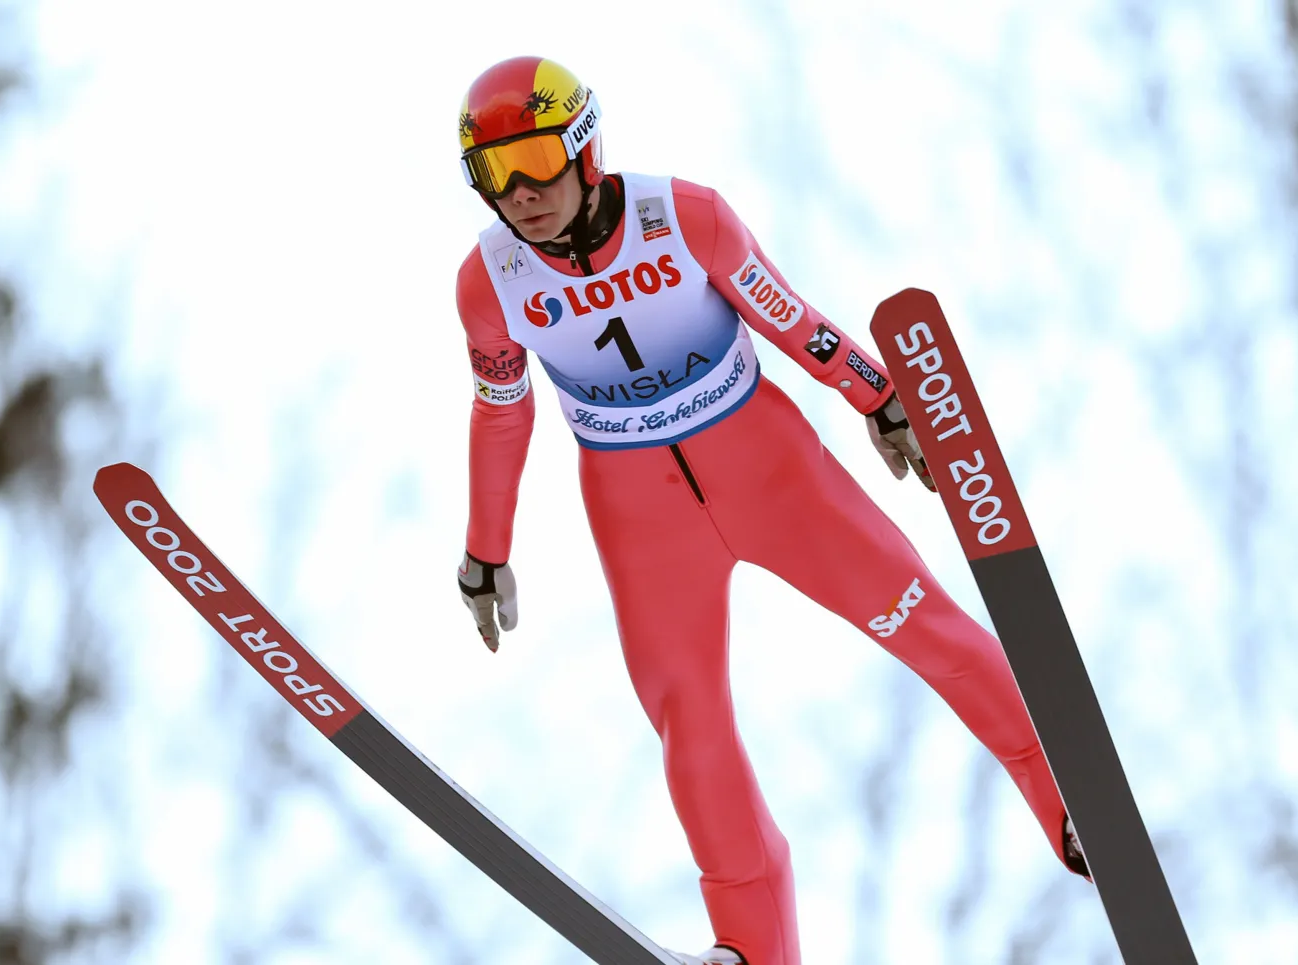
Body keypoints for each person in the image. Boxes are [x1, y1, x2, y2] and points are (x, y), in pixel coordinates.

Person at [452, 56, 1088, 965]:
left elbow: (789, 316)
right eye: (494, 175)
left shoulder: (685, 217)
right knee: (691, 722)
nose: (521, 194)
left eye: (538, 159)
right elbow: (500, 411)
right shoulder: (490, 281)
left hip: (768, 468)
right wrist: (486, 550)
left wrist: (880, 395)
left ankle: (1068, 802)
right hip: (639, 513)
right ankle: (753, 945)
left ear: (585, 150)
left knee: (921, 620)